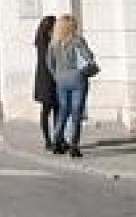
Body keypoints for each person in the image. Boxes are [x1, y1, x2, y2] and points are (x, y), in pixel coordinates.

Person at [47, 14, 96, 158]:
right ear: (72, 26)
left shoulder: (54, 43)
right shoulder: (77, 40)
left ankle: (56, 142)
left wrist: (56, 76)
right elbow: (88, 57)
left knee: (63, 111)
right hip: (77, 78)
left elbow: (49, 63)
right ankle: (73, 146)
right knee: (76, 113)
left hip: (61, 79)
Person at [32, 15, 59, 151]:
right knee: (50, 110)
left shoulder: (42, 41)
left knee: (51, 110)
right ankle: (50, 140)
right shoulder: (47, 43)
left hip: (44, 79)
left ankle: (54, 139)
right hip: (48, 79)